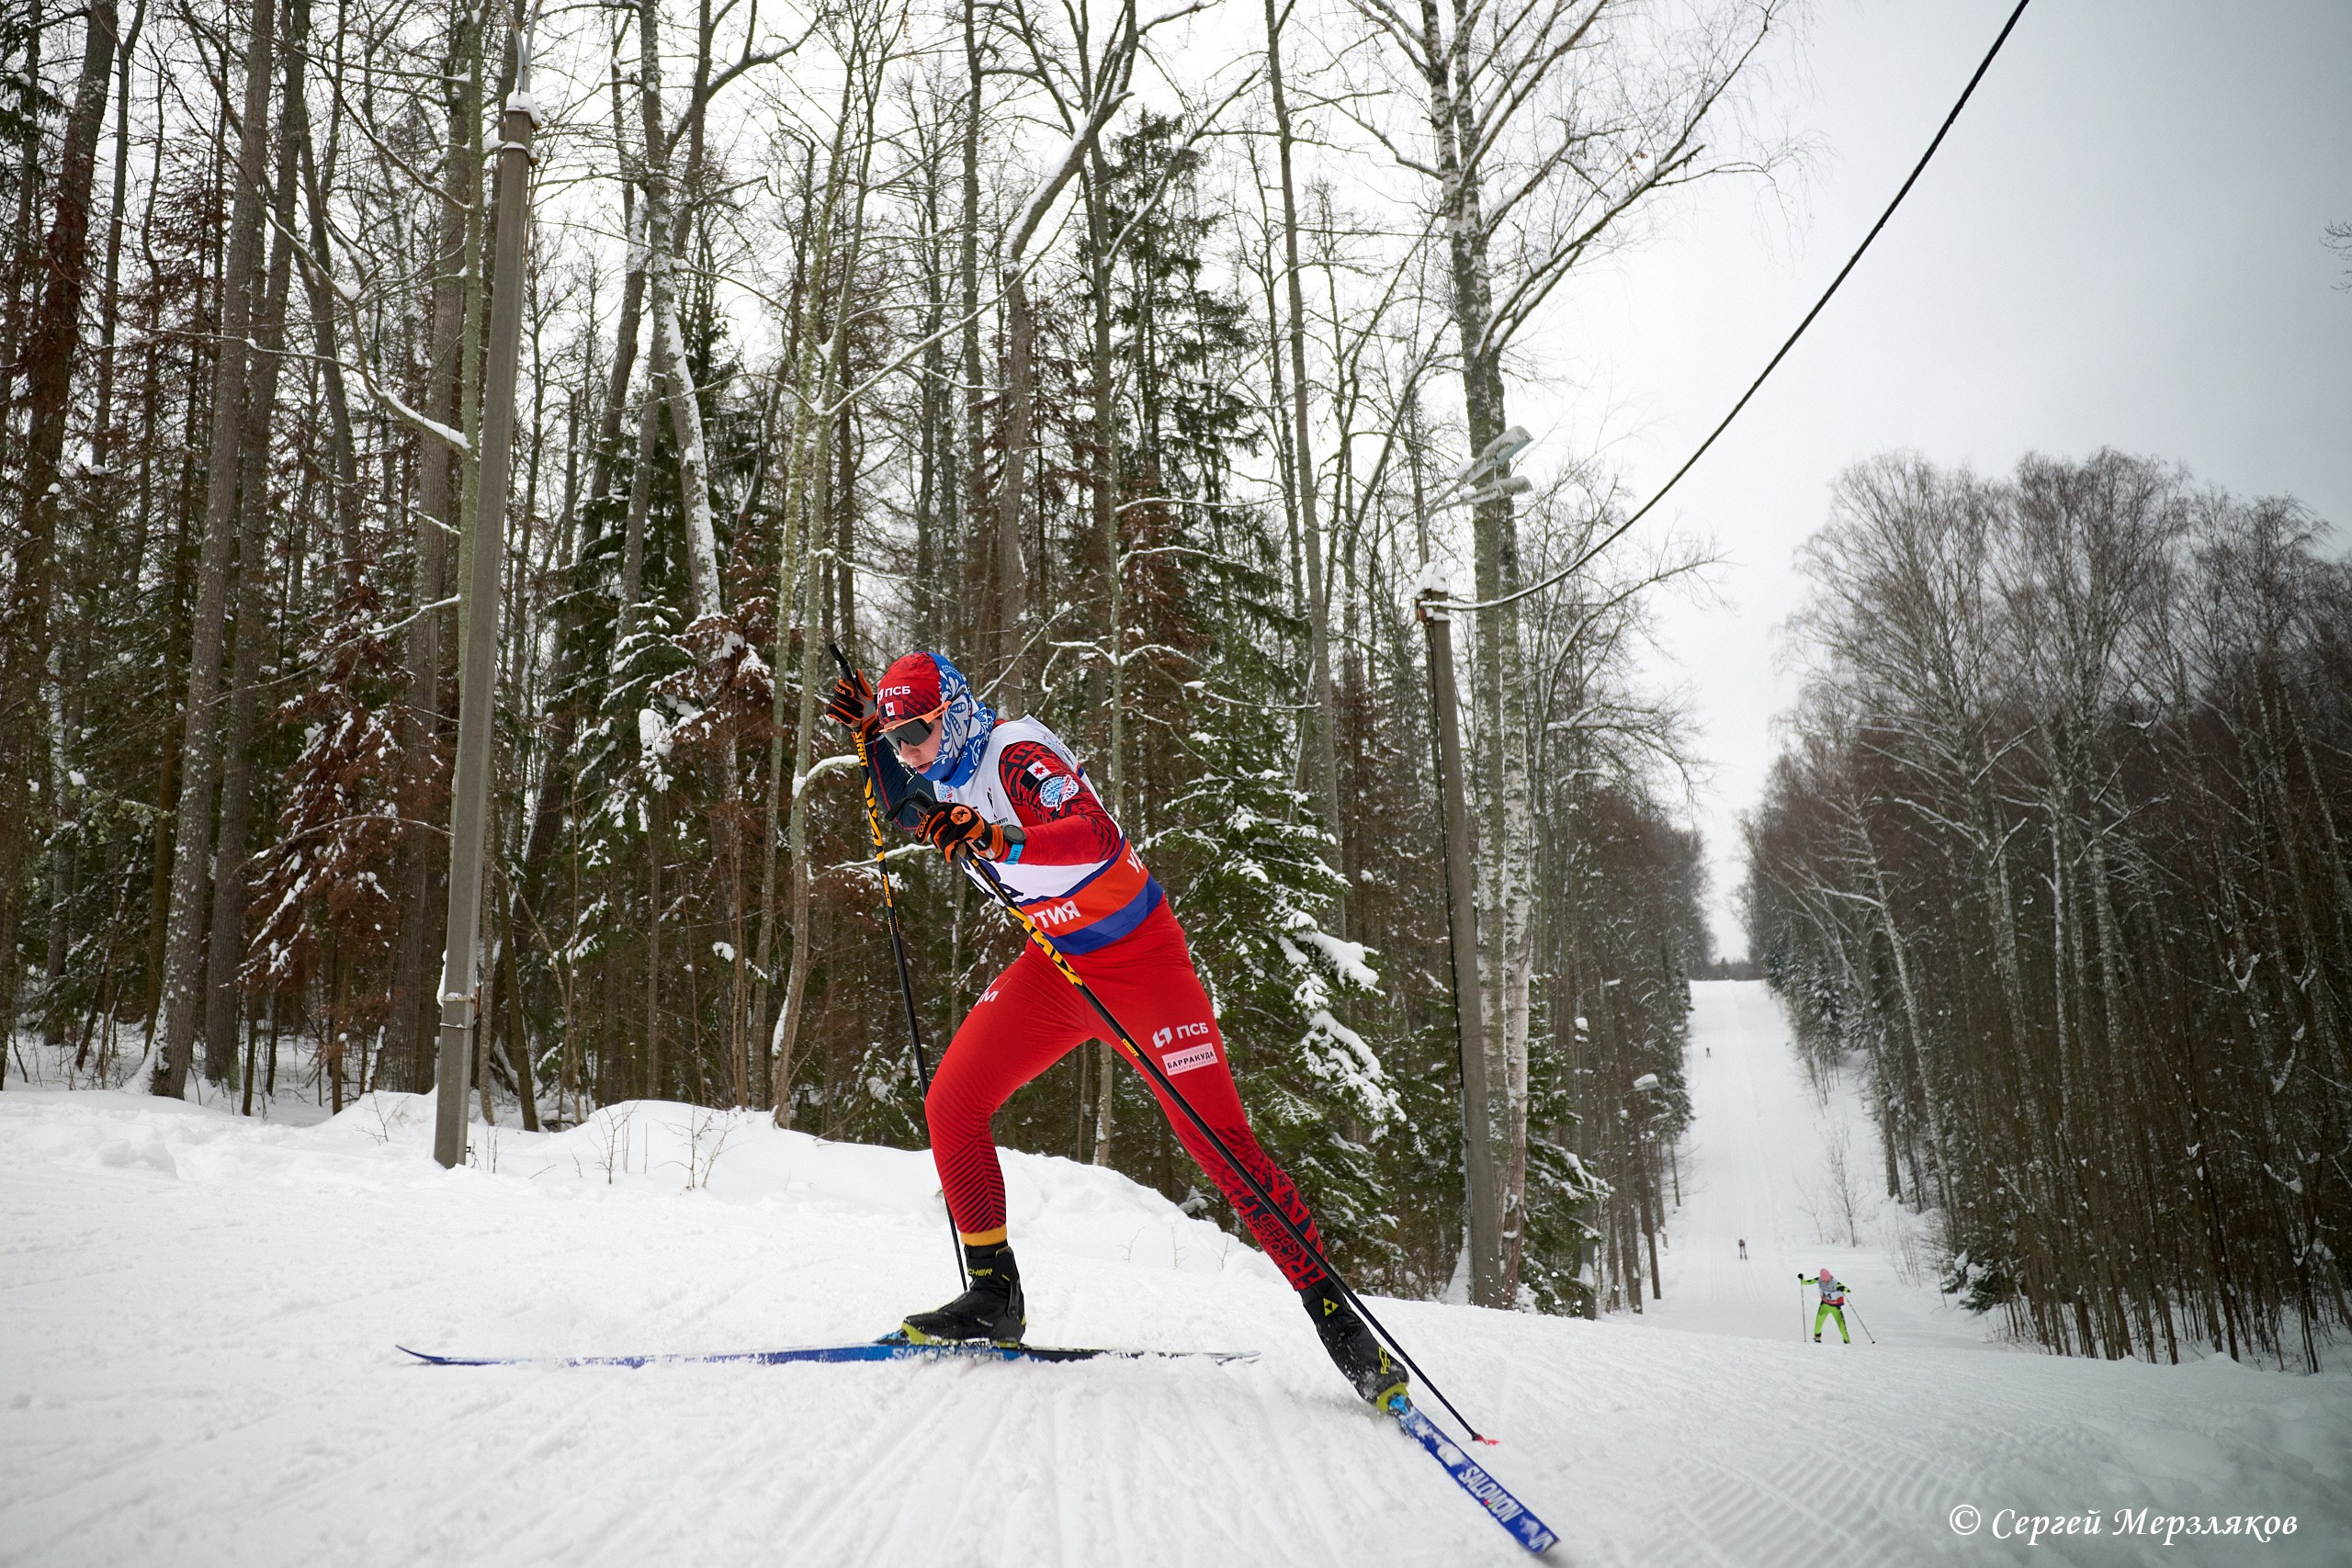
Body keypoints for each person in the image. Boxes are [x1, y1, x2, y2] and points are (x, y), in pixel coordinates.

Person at [825, 651, 1406, 1407]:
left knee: (1218, 1144)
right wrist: (873, 735)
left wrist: (999, 840)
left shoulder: (1018, 757)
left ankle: (1336, 1316)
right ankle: (994, 1295)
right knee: (952, 1104)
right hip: (1058, 969)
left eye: (917, 732)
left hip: (1142, 966)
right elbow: (906, 802)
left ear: (958, 713)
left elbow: (1092, 836)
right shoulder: (938, 771)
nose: (909, 751)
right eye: (899, 737)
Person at [1801, 1267, 1850, 1342]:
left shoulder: (1835, 1283)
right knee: (1818, 1323)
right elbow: (1807, 1282)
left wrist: (1843, 1289)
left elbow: (1848, 1290)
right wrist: (1802, 1279)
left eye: (1827, 1279)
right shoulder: (1819, 1279)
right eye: (1824, 1280)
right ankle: (1817, 1338)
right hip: (1824, 1305)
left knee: (1841, 1326)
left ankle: (1847, 1341)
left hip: (1835, 1307)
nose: (1826, 1281)